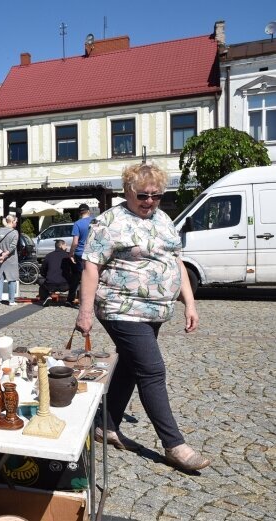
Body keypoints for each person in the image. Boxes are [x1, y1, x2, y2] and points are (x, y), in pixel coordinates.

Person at [75, 163, 210, 472]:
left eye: (157, 196)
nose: (150, 202)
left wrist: (190, 303)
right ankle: (174, 444)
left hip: (155, 311)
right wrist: (85, 312)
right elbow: (91, 266)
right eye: (143, 196)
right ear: (128, 192)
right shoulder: (109, 222)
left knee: (131, 367)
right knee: (151, 369)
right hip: (120, 307)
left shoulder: (163, 220)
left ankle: (105, 425)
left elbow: (176, 263)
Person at [0, 214, 20, 306]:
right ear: (12, 222)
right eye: (16, 222)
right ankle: (11, 300)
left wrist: (0, 252)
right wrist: (5, 255)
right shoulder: (15, 233)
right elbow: (13, 247)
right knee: (11, 279)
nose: (16, 223)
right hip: (11, 259)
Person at [67, 203, 92, 308]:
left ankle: (74, 299)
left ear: (79, 213)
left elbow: (75, 242)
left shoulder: (77, 224)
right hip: (92, 253)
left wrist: (71, 253)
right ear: (88, 211)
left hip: (80, 253)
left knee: (78, 277)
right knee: (91, 276)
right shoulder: (95, 222)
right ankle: (90, 300)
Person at [38, 239, 73, 305]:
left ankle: (46, 297)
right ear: (61, 246)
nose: (66, 247)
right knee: (75, 283)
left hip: (50, 284)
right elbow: (73, 269)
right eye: (65, 245)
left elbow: (43, 270)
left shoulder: (48, 256)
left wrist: (47, 276)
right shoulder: (67, 256)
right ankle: (69, 300)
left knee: (41, 283)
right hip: (65, 285)